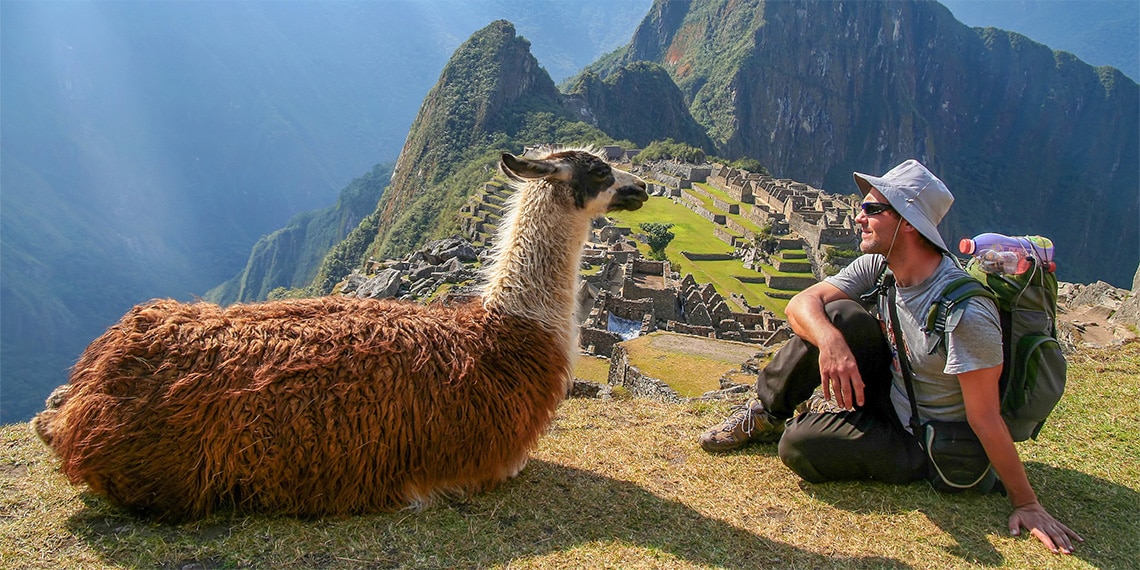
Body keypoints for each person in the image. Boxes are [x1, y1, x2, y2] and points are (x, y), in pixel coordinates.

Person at [697, 159, 1083, 555]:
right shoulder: (880, 265)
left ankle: (811, 426)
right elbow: (802, 303)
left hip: (924, 438)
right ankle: (764, 413)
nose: (859, 217)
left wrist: (1026, 502)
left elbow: (984, 417)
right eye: (862, 207)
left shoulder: (965, 314)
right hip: (892, 393)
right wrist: (832, 343)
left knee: (799, 446)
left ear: (909, 223)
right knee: (836, 316)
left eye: (872, 209)